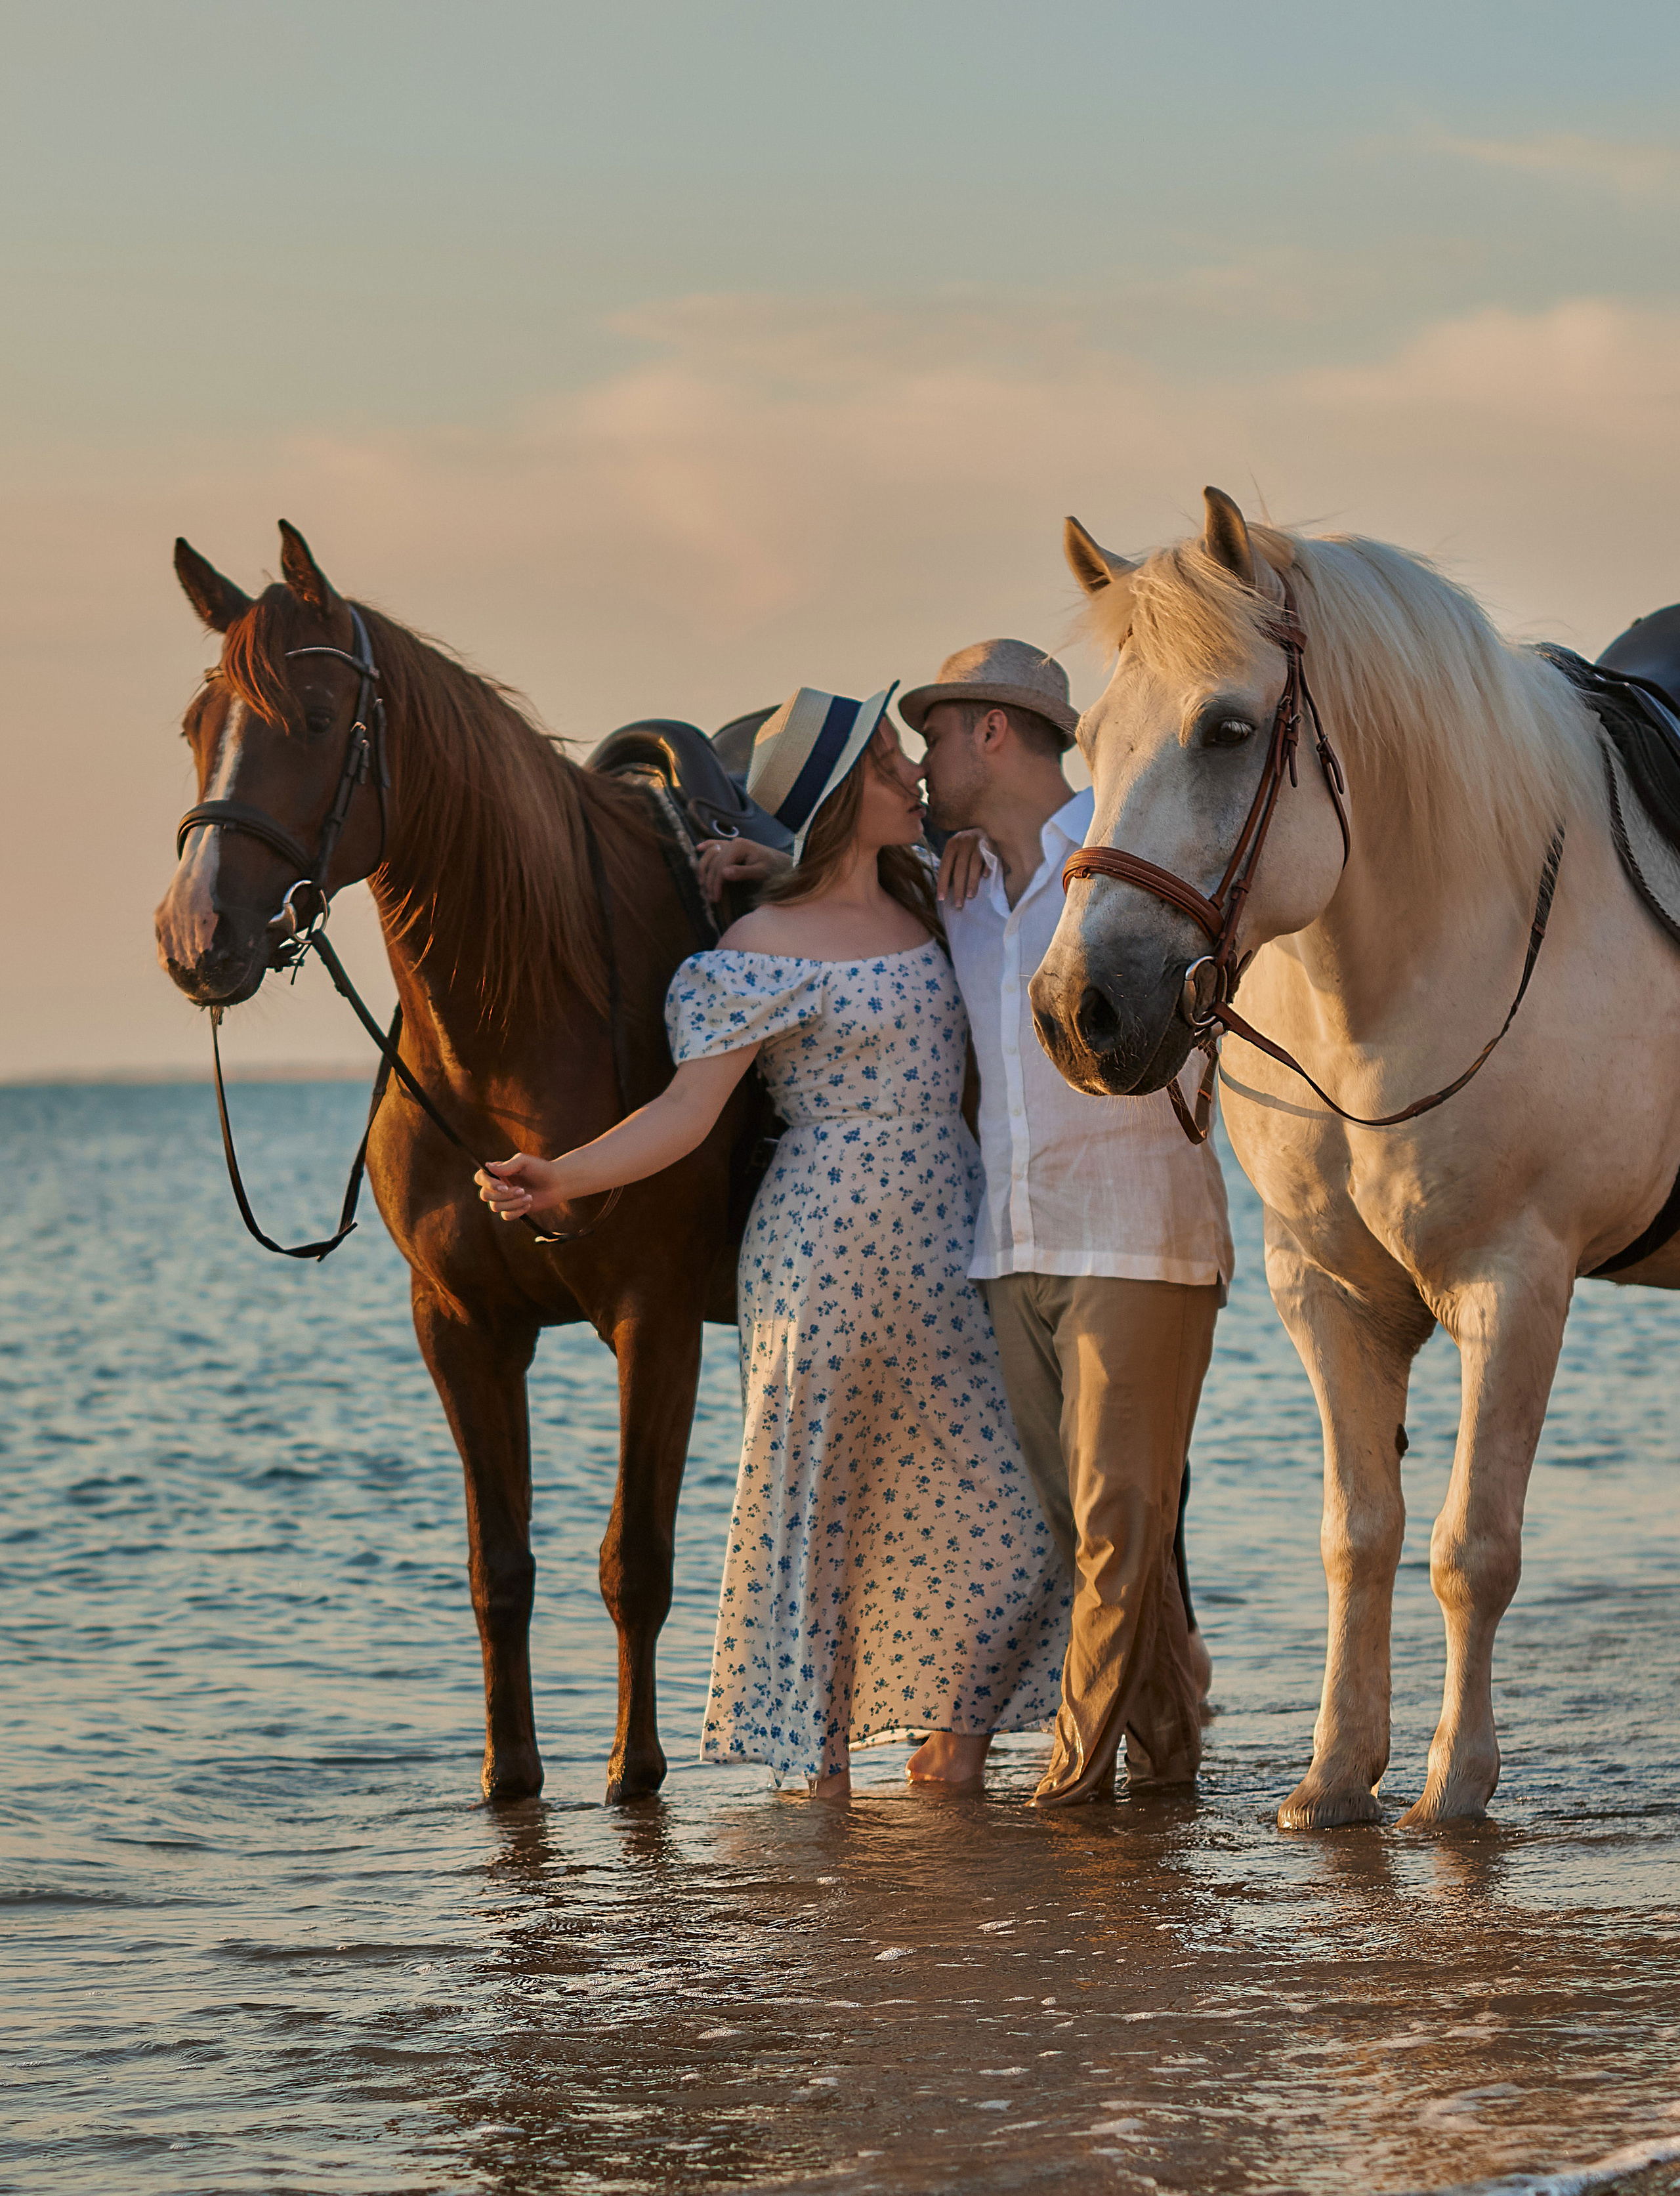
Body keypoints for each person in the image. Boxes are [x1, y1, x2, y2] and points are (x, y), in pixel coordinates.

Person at [478, 683, 1068, 1798]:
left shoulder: (933, 893)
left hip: (950, 1238)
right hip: (820, 1254)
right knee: (820, 1512)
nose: (913, 772)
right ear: (844, 798)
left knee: (1012, 1508)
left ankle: (956, 1742)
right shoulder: (755, 950)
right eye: (888, 764)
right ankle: (819, 1767)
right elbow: (684, 1112)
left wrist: (784, 853)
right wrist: (564, 1173)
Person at [898, 639, 1234, 1806]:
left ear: (994, 732)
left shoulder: (1128, 845)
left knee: (1117, 1525)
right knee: (1082, 1529)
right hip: (1015, 1244)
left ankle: (1071, 1786)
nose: (922, 762)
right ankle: (1171, 1763)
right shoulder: (963, 888)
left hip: (1139, 1236)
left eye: (936, 736)